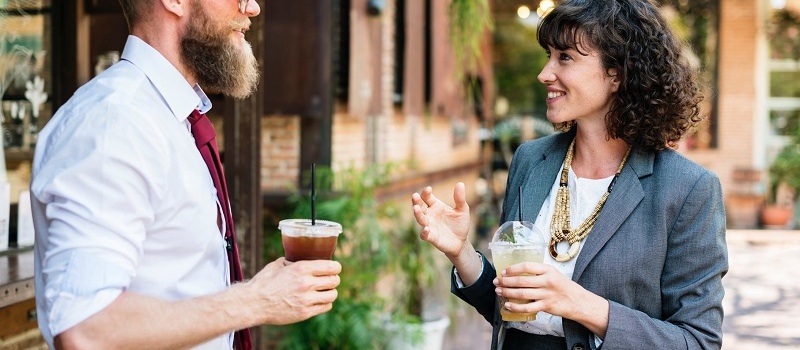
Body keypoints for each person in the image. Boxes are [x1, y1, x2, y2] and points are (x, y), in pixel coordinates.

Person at [411, 0, 728, 349]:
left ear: (618, 73)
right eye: (549, 55)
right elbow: (511, 313)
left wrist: (580, 304)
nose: (545, 73)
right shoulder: (531, 160)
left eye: (565, 57)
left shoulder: (688, 188)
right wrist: (462, 253)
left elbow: (698, 341)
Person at [30, 0, 342, 349]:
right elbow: (86, 328)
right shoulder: (113, 123)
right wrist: (257, 300)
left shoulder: (169, 118)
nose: (252, 7)